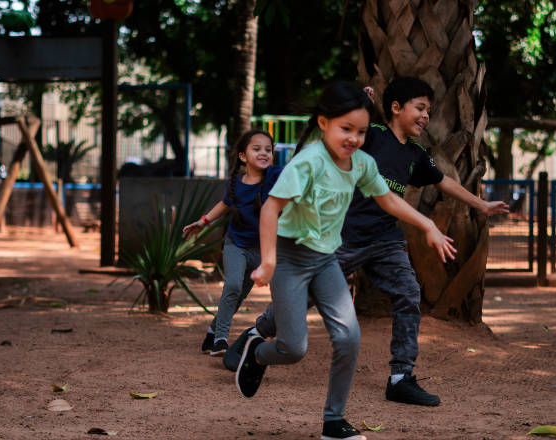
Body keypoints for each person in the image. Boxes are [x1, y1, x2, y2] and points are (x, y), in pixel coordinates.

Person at [225, 77, 509, 407]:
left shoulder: (416, 155)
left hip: (387, 240)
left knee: (408, 292)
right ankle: (257, 334)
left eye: (429, 111)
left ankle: (401, 377)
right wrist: (358, 101)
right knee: (304, 297)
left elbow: (443, 182)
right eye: (420, 108)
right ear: (396, 108)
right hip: (344, 238)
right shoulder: (371, 136)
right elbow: (337, 135)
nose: (426, 116)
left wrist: (481, 204)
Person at [183, 129, 282, 357]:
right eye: (256, 149)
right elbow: (224, 204)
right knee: (233, 287)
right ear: (243, 156)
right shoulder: (235, 184)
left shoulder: (275, 176)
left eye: (268, 149)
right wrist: (203, 221)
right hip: (236, 245)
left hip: (262, 250)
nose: (264, 153)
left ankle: (211, 332)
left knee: (237, 296)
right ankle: (220, 340)